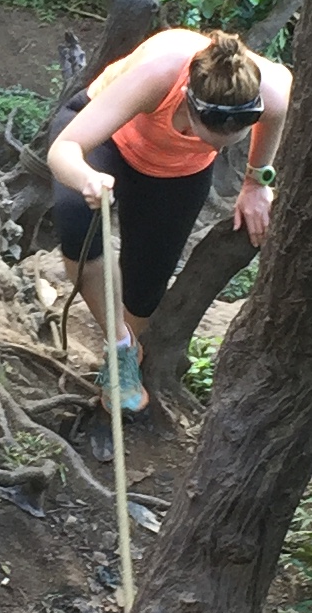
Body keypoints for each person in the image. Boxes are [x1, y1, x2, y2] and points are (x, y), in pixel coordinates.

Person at [46, 26, 292, 411]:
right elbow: (65, 150)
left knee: (147, 282)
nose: (211, 147)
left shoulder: (271, 90)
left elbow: (277, 113)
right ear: (186, 102)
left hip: (177, 171)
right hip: (109, 139)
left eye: (224, 144)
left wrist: (256, 183)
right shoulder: (158, 73)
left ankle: (128, 352)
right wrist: (86, 179)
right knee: (77, 220)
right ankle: (120, 346)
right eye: (205, 137)